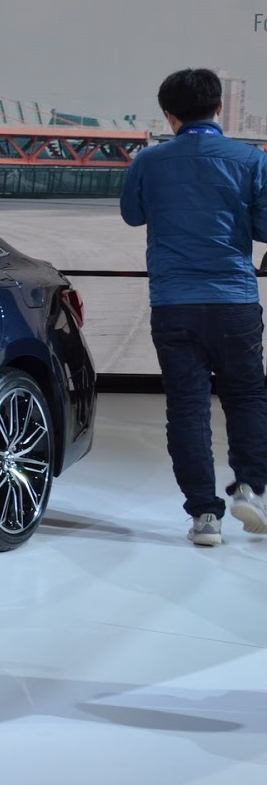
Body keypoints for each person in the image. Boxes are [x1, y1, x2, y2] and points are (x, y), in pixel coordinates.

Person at [119, 66, 267, 546]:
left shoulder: (149, 160)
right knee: (246, 398)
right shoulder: (251, 158)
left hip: (174, 303)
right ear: (219, 107)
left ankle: (204, 515)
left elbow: (132, 215)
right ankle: (250, 488)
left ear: (169, 114)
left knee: (187, 407)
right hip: (234, 301)